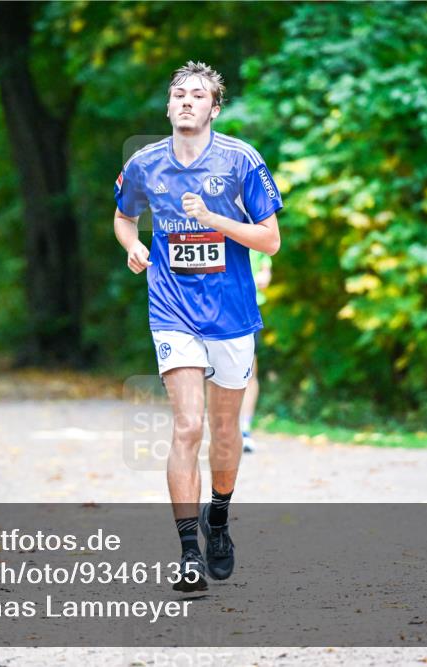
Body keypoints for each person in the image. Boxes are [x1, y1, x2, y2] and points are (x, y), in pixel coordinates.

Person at [112, 61, 282, 592]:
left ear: (214, 108)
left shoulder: (240, 161)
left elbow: (270, 239)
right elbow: (123, 215)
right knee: (188, 426)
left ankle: (219, 520)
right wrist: (134, 244)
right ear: (168, 107)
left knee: (225, 430)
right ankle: (188, 550)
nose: (187, 101)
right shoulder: (144, 164)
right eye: (178, 94)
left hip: (230, 312)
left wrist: (213, 219)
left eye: (198, 95)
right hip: (172, 308)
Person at [240, 249, 272, 453]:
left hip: (249, 309)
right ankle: (222, 426)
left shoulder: (256, 225)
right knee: (214, 371)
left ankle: (244, 429)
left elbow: (265, 269)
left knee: (250, 372)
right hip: (219, 307)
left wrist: (264, 276)